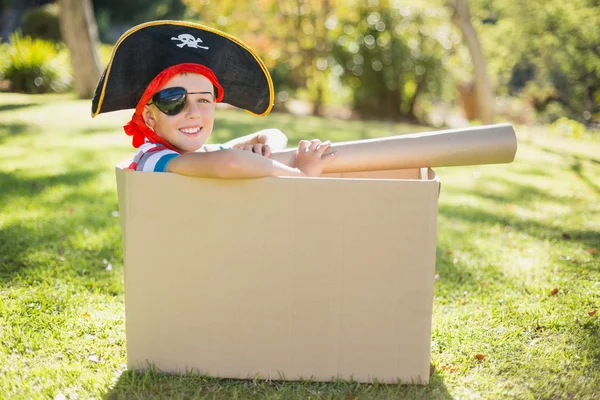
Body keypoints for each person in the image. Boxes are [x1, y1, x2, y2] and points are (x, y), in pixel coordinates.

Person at [91, 20, 336, 178]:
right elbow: (229, 161)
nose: (193, 112)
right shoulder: (152, 158)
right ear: (148, 117)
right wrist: (300, 174)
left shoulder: (200, 154)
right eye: (173, 100)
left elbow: (274, 134)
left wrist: (260, 146)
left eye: (204, 100)